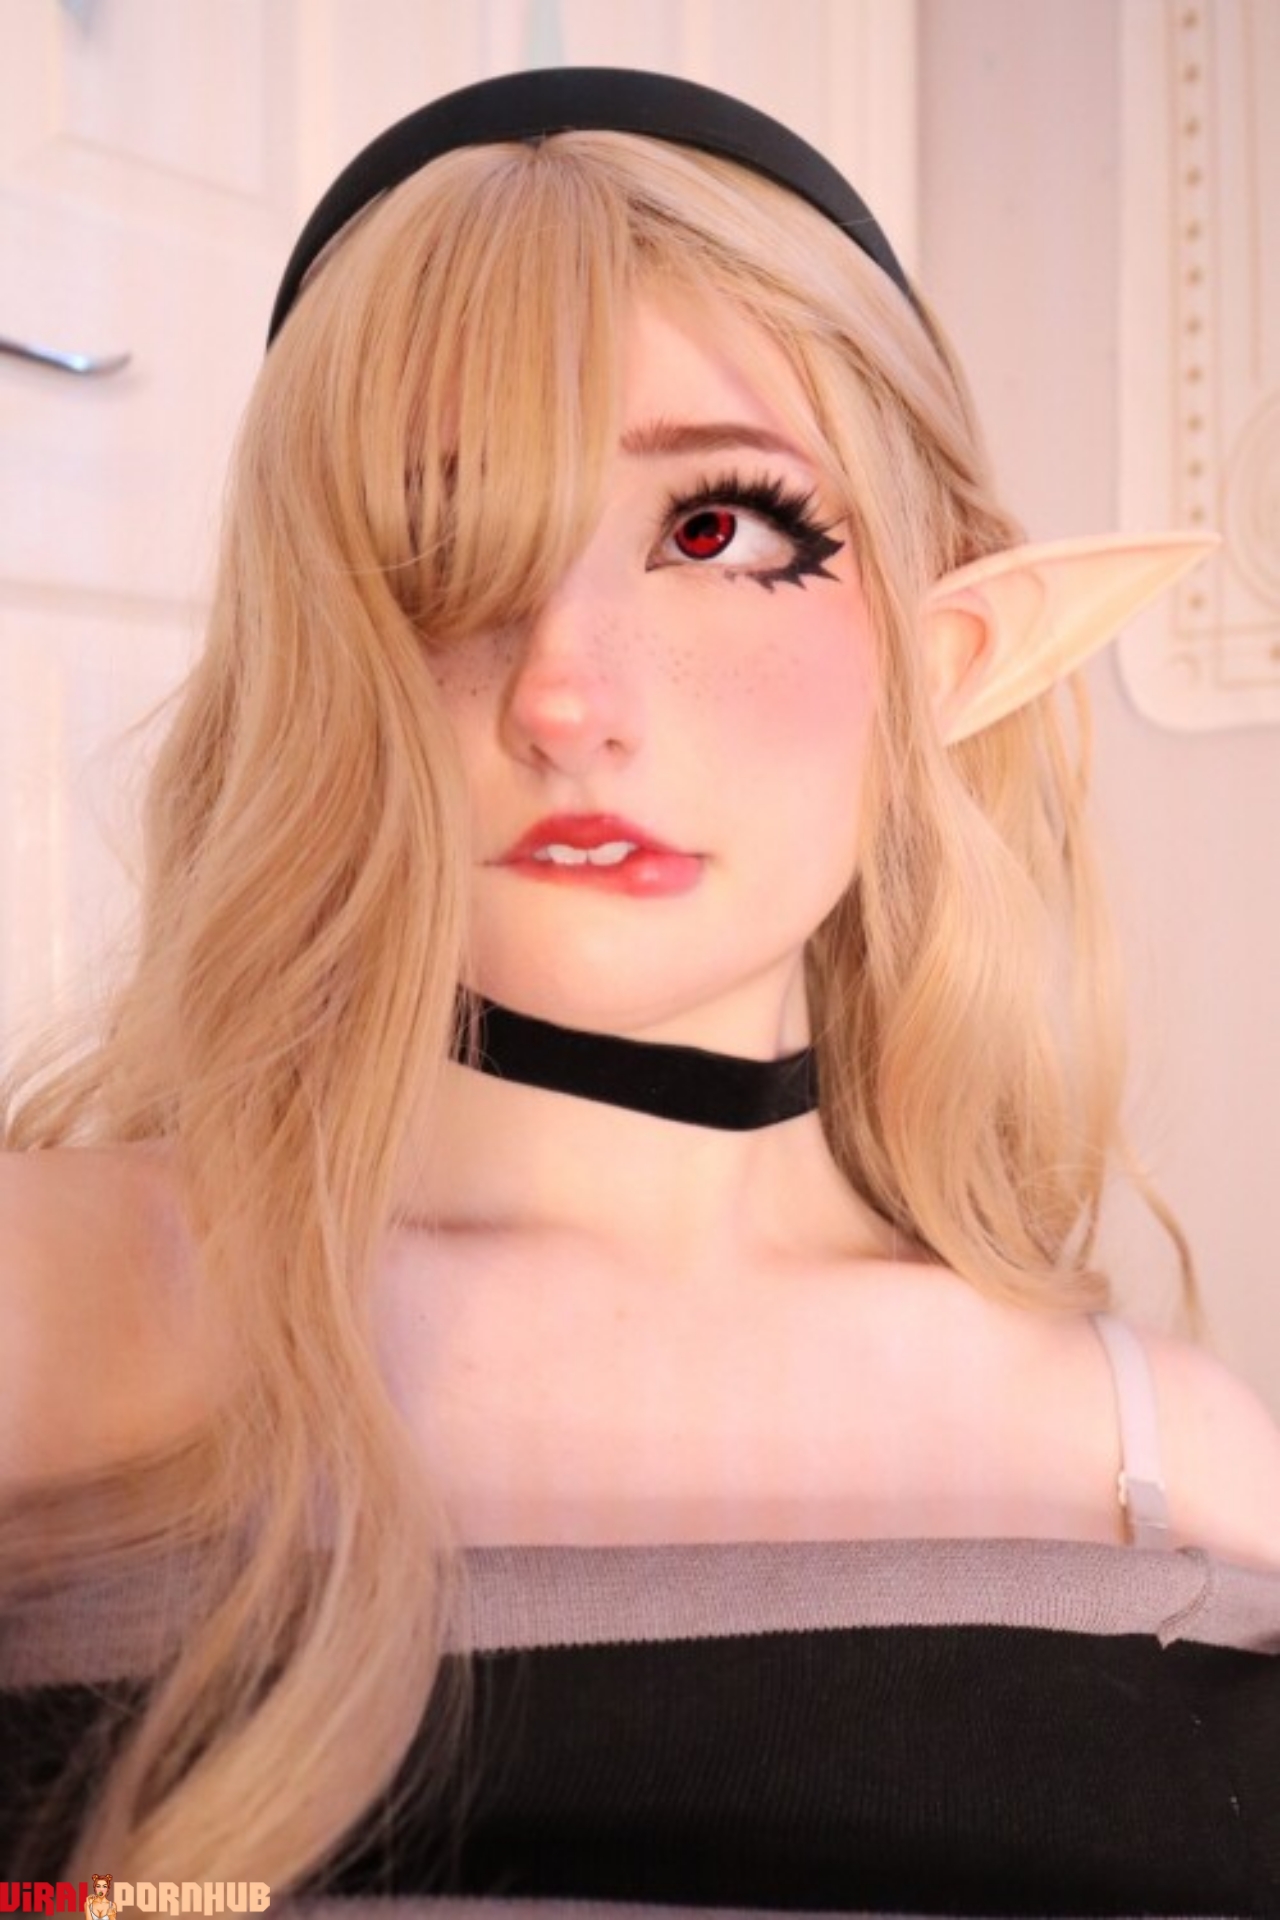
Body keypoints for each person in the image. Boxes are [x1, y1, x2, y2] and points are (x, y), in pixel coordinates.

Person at [1, 66, 1278, 1914]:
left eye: (717, 530)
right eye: (439, 543)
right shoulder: (46, 1311)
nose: (563, 695)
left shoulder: (1181, 1461)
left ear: (949, 657)